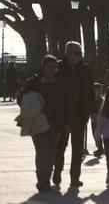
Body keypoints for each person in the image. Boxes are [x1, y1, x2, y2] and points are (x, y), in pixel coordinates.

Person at [18, 55, 73, 193]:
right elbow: (21, 99)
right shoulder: (34, 82)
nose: (52, 70)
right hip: (38, 122)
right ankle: (41, 179)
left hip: (57, 123)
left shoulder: (62, 83)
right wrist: (33, 105)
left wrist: (67, 123)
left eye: (54, 68)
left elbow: (68, 104)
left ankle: (46, 178)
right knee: (42, 150)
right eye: (49, 67)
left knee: (51, 152)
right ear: (43, 68)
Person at [54, 41, 94, 188]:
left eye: (80, 53)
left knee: (77, 148)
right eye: (76, 53)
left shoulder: (85, 69)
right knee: (60, 146)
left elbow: (90, 90)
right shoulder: (58, 68)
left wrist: (94, 110)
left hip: (80, 112)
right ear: (68, 54)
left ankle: (75, 178)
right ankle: (57, 172)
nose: (79, 56)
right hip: (63, 113)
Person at [90, 83, 105, 157]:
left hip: (100, 120)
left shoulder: (101, 100)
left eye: (98, 90)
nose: (96, 92)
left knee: (98, 134)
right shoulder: (92, 99)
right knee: (94, 134)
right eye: (95, 90)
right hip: (93, 119)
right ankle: (99, 147)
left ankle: (100, 148)